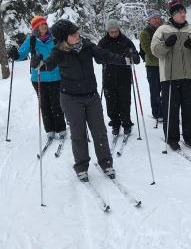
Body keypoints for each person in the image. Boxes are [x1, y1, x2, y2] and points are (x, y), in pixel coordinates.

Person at [30, 20, 130, 182]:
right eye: (73, 34)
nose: (78, 35)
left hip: (91, 95)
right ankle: (81, 166)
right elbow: (48, 64)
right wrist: (39, 64)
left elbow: (104, 55)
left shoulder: (87, 45)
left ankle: (106, 162)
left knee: (99, 131)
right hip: (70, 98)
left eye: (77, 32)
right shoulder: (58, 51)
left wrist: (125, 59)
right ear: (64, 38)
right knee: (78, 134)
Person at [150, 0, 191, 150]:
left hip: (189, 76)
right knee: (171, 110)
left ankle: (190, 137)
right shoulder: (162, 29)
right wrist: (166, 45)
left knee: (188, 109)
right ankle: (172, 138)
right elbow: (155, 50)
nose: (183, 14)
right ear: (173, 15)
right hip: (170, 77)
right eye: (179, 12)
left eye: (184, 12)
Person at [7, 16, 66, 139]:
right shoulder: (31, 40)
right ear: (36, 28)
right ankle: (49, 129)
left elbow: (64, 52)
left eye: (45, 23)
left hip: (56, 76)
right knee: (44, 104)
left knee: (57, 103)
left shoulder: (55, 39)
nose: (44, 26)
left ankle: (60, 128)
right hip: (38, 77)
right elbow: (21, 55)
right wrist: (14, 54)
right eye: (41, 24)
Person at [97, 19, 140, 136]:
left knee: (125, 101)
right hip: (108, 77)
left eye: (116, 31)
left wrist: (132, 56)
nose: (114, 34)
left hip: (124, 77)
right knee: (111, 102)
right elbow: (97, 59)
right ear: (107, 31)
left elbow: (137, 59)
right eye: (111, 32)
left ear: (119, 30)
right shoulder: (103, 43)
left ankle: (126, 123)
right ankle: (115, 124)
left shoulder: (126, 41)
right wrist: (104, 58)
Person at [139, 10, 163, 121]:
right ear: (149, 20)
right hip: (152, 65)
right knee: (155, 90)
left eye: (158, 18)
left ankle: (165, 109)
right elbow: (147, 49)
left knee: (166, 89)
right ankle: (157, 112)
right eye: (154, 18)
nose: (157, 20)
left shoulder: (163, 29)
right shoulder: (145, 32)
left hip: (164, 64)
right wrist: (162, 52)